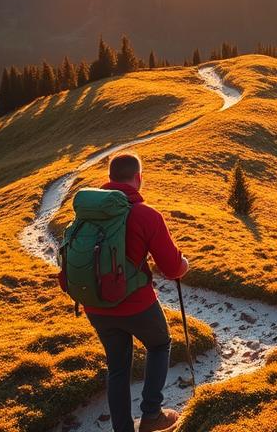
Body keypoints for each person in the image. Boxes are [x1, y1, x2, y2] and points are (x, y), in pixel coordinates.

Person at [84, 151, 189, 432]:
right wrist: (184, 264)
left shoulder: (88, 214)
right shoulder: (146, 214)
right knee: (159, 344)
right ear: (139, 178)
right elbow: (171, 268)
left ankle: (123, 428)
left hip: (95, 304)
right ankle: (152, 414)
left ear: (110, 180)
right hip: (136, 304)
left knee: (117, 367)